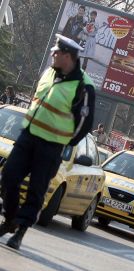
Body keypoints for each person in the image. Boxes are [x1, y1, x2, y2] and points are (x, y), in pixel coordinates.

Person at [0, 34, 95, 250]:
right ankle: (10, 219)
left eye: (57, 52)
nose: (52, 54)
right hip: (29, 136)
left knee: (36, 190)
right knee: (9, 177)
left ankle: (20, 231)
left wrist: (66, 142)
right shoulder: (49, 72)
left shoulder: (83, 86)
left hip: (51, 146)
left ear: (68, 57)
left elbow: (85, 123)